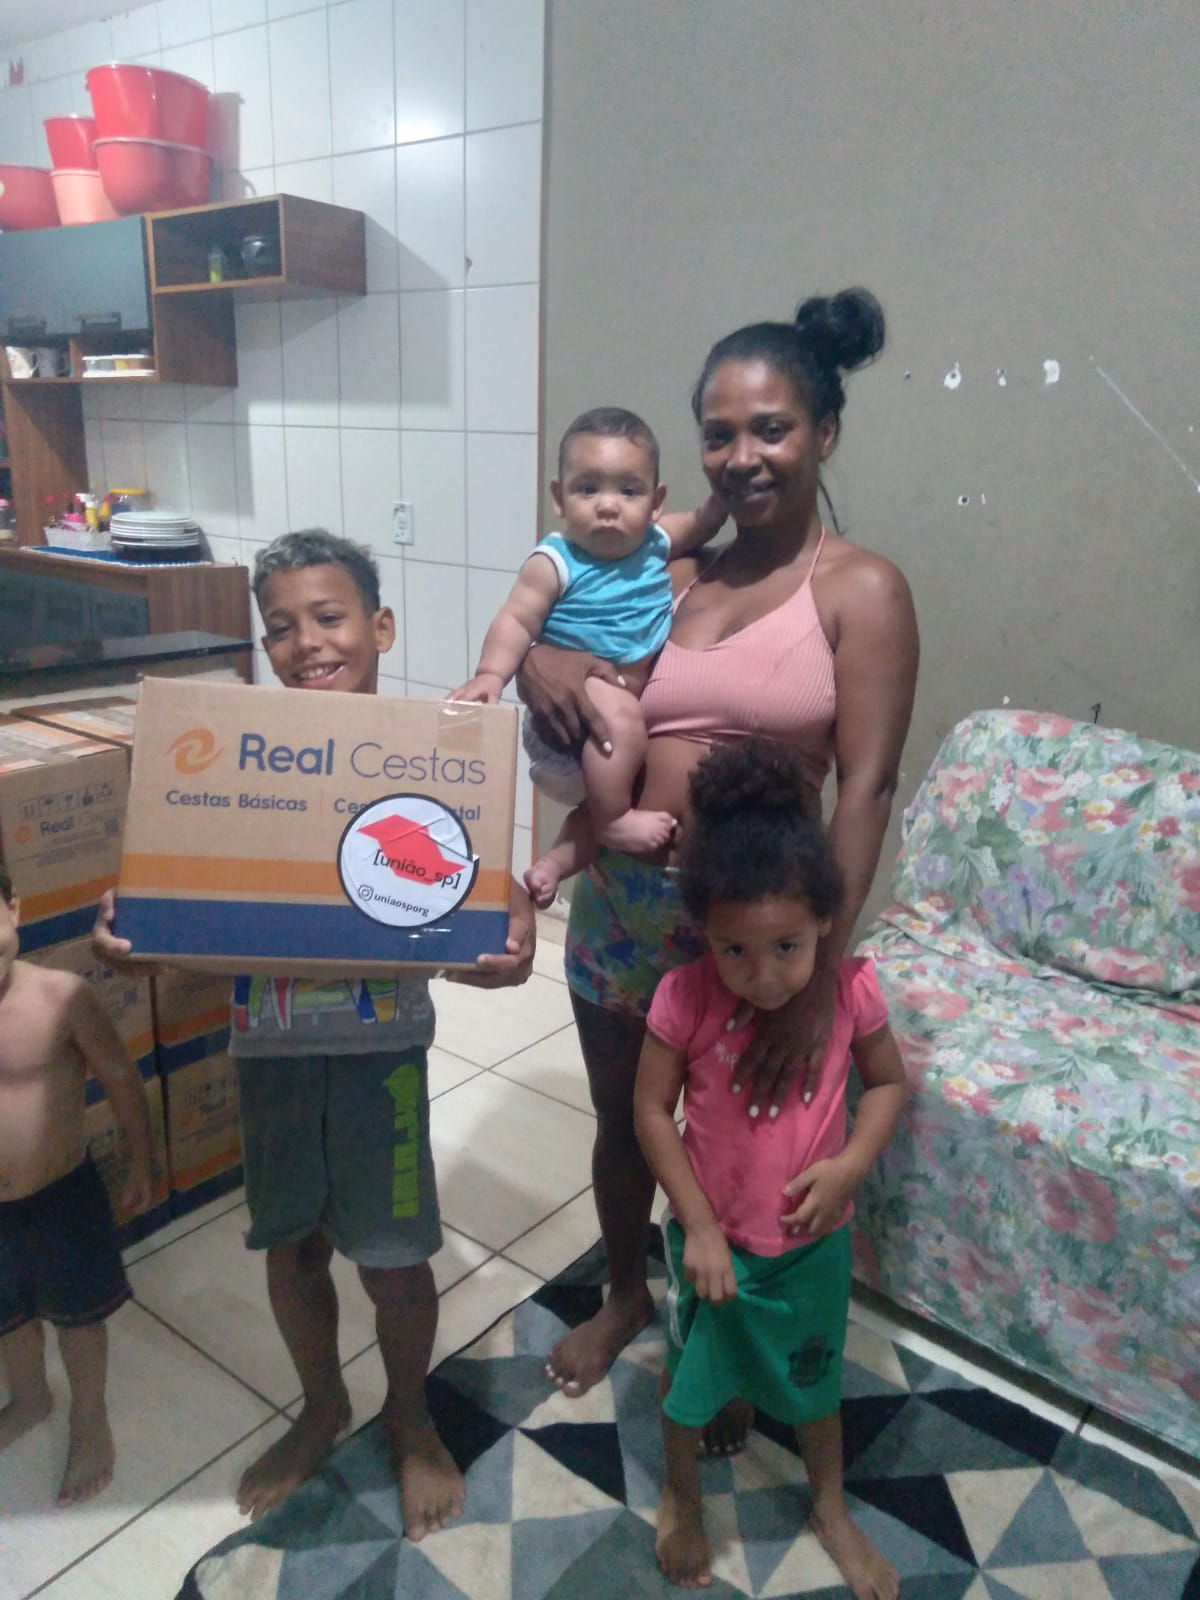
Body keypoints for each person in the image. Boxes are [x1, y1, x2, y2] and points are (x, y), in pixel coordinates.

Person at [520, 289, 920, 1435]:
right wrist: (543, 655)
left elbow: (867, 791)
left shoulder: (862, 589)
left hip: (749, 941)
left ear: (825, 432)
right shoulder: (674, 573)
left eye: (772, 428)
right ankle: (624, 1293)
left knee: (737, 1148)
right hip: (623, 905)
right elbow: (569, 638)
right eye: (720, 432)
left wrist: (823, 978)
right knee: (623, 1119)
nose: (743, 456)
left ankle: (732, 1335)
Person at [94, 529, 536, 1539]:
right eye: (281, 628)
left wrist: (505, 942)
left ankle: (410, 1412)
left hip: (382, 1062)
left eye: (329, 617)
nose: (307, 643)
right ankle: (322, 1403)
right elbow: (186, 910)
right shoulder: (237, 763)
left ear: (381, 626)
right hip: (271, 1056)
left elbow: (473, 895)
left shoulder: (430, 756)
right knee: (290, 1244)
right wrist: (139, 936)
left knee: (393, 1256)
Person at [634, 739, 906, 1596]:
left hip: (811, 1247)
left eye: (786, 946)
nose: (763, 978)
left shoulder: (852, 992)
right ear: (704, 934)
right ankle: (681, 1496)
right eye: (734, 951)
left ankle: (829, 1505)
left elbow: (889, 1083)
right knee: (688, 1384)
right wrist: (700, 1227)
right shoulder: (683, 998)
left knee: (815, 1381)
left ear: (824, 919)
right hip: (713, 1245)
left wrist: (852, 1164)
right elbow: (650, 1110)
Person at [451, 407, 725, 905]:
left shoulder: (656, 542)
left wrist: (722, 500)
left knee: (606, 793)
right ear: (559, 497)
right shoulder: (555, 561)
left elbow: (703, 523)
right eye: (588, 488)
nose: (608, 506)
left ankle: (554, 865)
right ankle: (614, 822)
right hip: (571, 718)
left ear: (656, 502)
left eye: (629, 491)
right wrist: (491, 675)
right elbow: (517, 620)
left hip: (610, 742)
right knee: (617, 749)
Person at [0, 863, 153, 1508]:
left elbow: (119, 1075)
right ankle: (30, 1396)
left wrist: (142, 1161)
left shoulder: (61, 996)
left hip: (62, 1194)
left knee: (80, 1318)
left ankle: (89, 1414)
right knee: (8, 1316)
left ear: (13, 908)